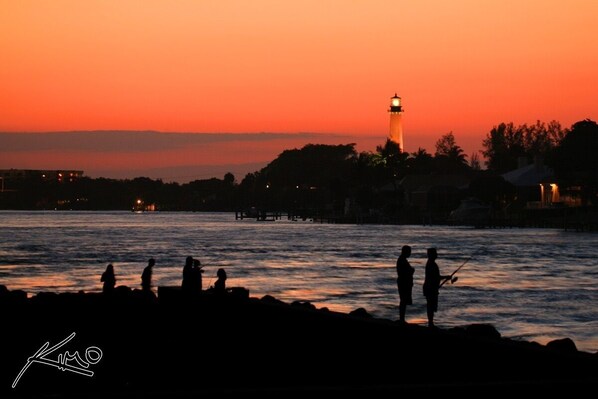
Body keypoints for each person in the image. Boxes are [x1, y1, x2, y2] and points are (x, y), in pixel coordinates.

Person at [423, 247, 451, 327]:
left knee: (431, 305)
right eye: (435, 253)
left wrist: (445, 278)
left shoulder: (430, 263)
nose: (436, 255)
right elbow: (436, 277)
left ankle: (430, 323)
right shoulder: (432, 264)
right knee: (431, 305)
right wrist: (446, 277)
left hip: (430, 287)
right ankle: (430, 323)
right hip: (430, 288)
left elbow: (436, 277)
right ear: (431, 255)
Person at [396, 245, 414, 323]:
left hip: (403, 282)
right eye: (409, 252)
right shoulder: (402, 260)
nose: (410, 253)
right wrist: (412, 270)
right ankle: (402, 319)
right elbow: (406, 272)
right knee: (403, 300)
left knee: (403, 300)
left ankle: (402, 318)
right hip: (403, 282)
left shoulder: (402, 259)